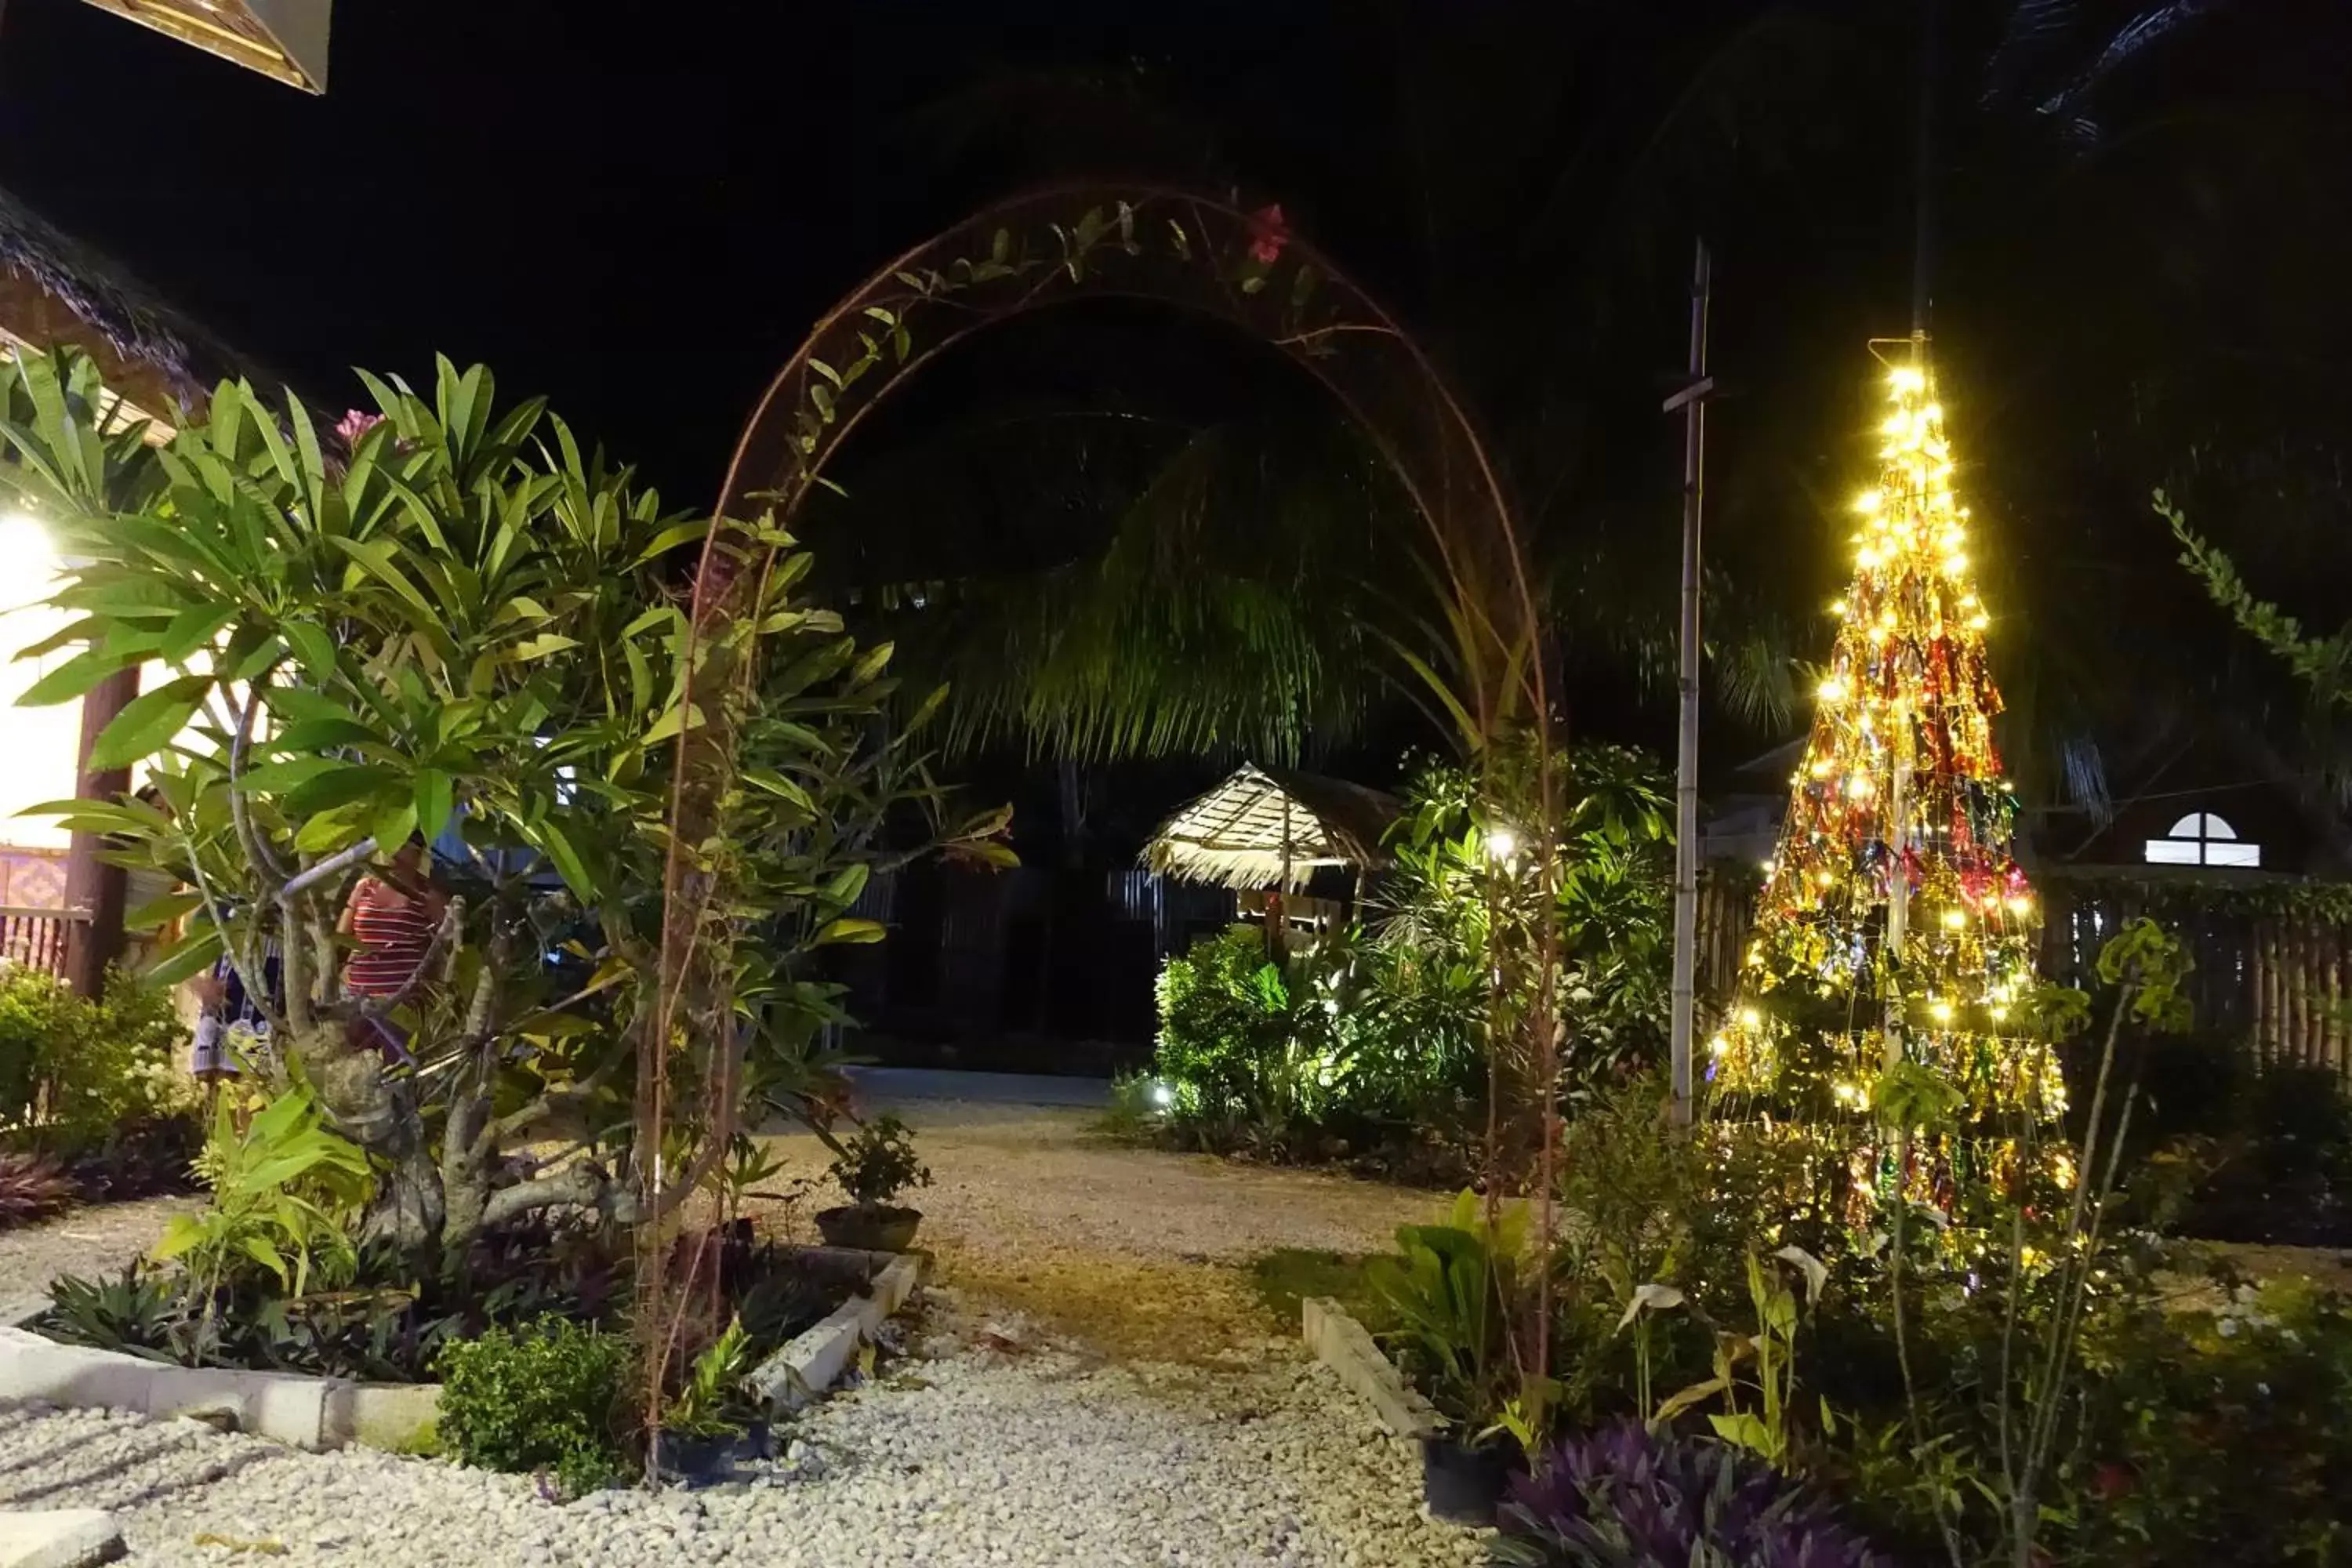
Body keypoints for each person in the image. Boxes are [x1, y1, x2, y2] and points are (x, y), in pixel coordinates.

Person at [337, 837, 446, 1062]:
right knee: (350, 1065)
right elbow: (341, 935)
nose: (394, 851)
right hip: (358, 996)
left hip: (401, 1002)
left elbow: (445, 944)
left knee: (395, 1068)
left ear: (418, 855)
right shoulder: (365, 887)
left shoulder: (427, 894)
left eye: (405, 847)